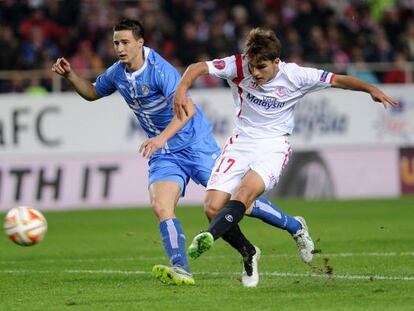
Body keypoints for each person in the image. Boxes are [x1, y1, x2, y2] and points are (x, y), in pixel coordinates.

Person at [52, 20, 313, 288]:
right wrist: (70, 75)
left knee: (237, 202)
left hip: (194, 145)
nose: (120, 48)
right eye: (116, 42)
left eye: (125, 42)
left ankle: (294, 226)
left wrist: (159, 139)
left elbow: (186, 112)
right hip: (164, 154)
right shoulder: (118, 73)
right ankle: (185, 267)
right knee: (160, 206)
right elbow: (93, 92)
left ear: (140, 43)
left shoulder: (160, 71)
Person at [173, 27, 398, 284]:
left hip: (273, 146)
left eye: (261, 67)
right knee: (213, 207)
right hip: (240, 143)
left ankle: (209, 237)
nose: (255, 73)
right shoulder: (237, 65)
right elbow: (196, 67)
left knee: (243, 196)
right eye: (252, 66)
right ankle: (250, 252)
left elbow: (339, 80)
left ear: (276, 62)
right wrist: (182, 89)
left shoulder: (297, 75)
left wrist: (371, 89)